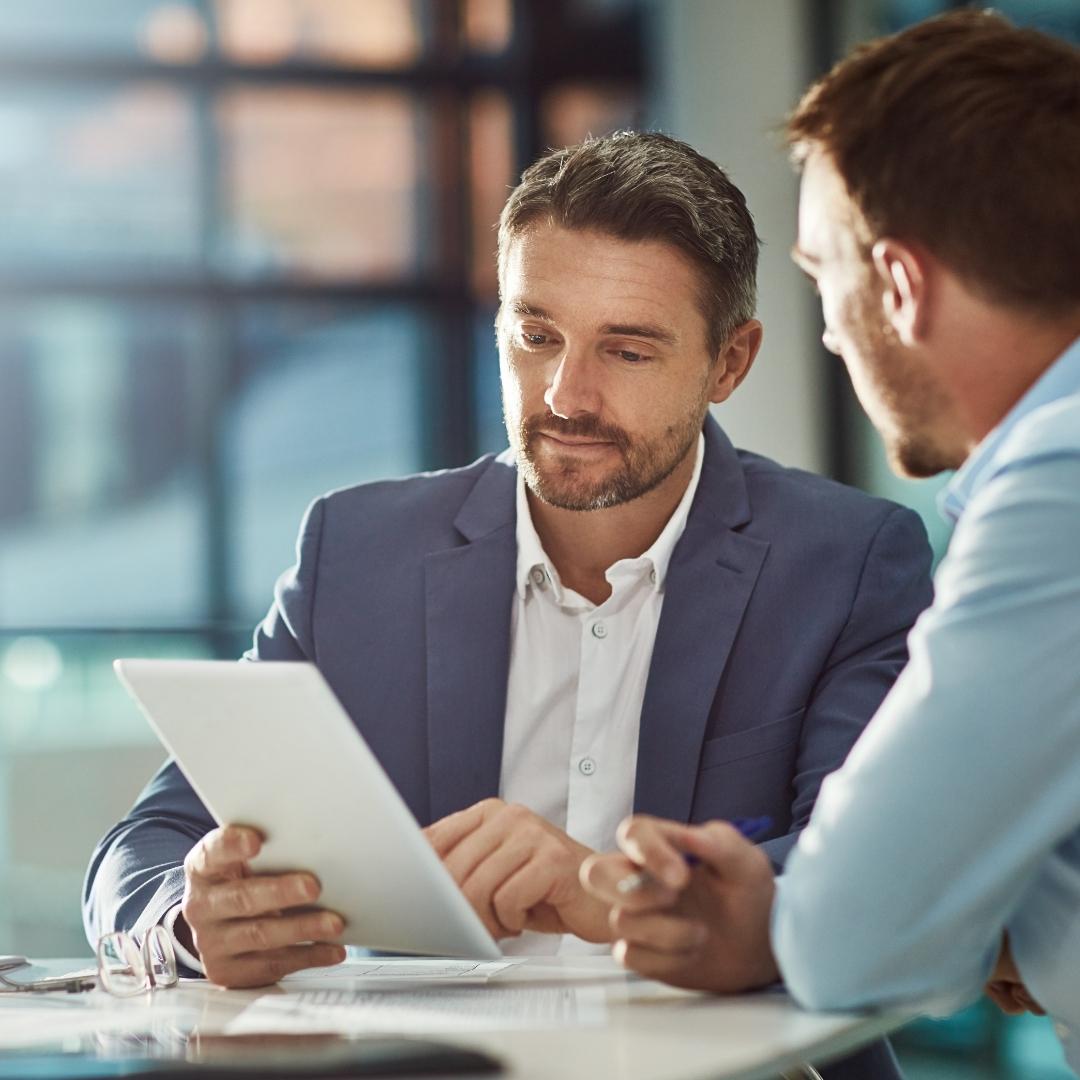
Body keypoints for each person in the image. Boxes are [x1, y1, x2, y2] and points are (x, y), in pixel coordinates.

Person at [84, 131, 930, 1076]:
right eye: (536, 336)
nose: (567, 394)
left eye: (628, 350)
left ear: (729, 364)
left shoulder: (849, 561)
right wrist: (192, 921)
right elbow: (151, 843)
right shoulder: (357, 554)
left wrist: (604, 890)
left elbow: (865, 878)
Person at [581, 10, 1080, 1073]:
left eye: (823, 279)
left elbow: (858, 936)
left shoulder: (1061, 483)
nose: (826, 331)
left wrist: (775, 917)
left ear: (898, 286)